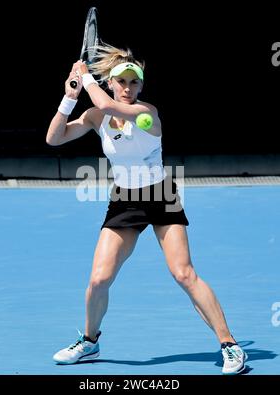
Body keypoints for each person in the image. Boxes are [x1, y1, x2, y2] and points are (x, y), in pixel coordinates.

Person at [46, 43, 247, 374]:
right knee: (98, 280)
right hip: (124, 199)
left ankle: (230, 345)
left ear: (140, 86)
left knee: (183, 273)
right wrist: (70, 96)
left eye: (133, 82)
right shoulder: (97, 115)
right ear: (111, 82)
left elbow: (104, 101)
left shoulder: (146, 113)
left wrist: (87, 79)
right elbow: (55, 138)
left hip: (160, 196)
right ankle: (89, 342)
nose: (127, 88)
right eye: (121, 81)